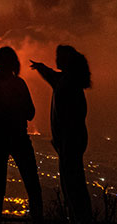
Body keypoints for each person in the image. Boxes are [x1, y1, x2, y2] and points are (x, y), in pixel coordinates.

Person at [0, 46, 43, 224]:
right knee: (33, 186)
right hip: (19, 138)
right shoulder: (19, 84)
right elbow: (30, 113)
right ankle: (38, 219)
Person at [31, 45, 92, 224]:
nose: (56, 58)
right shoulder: (67, 80)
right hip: (70, 141)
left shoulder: (68, 84)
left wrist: (64, 140)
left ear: (66, 60)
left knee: (73, 186)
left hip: (70, 142)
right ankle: (79, 218)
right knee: (72, 184)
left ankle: (81, 219)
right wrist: (41, 68)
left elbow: (72, 116)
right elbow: (52, 76)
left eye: (59, 56)